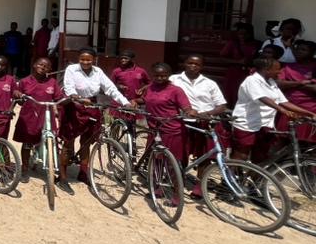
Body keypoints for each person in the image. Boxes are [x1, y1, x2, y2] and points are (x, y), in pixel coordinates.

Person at [61, 47, 129, 185]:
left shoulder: (98, 72)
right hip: (74, 105)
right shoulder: (72, 69)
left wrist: (125, 102)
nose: (85, 62)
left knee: (86, 142)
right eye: (82, 59)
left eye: (88, 60)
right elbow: (68, 86)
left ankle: (83, 172)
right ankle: (62, 174)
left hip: (92, 106)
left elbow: (110, 88)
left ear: (94, 60)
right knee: (69, 140)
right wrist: (76, 97)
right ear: (78, 59)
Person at [231, 55, 314, 162]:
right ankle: (230, 178)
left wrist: (309, 113)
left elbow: (284, 102)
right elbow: (262, 98)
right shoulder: (251, 80)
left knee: (261, 156)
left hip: (264, 124)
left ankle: (255, 178)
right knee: (241, 155)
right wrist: (283, 111)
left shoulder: (271, 83)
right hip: (247, 124)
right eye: (277, 69)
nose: (279, 72)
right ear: (267, 70)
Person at [169, 54, 229, 169]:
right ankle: (179, 178)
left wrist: (206, 114)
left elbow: (222, 106)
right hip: (182, 121)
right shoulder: (173, 80)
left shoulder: (210, 83)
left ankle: (201, 183)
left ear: (202, 67)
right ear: (184, 64)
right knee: (181, 152)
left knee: (205, 154)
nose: (193, 66)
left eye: (197, 64)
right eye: (190, 63)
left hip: (205, 122)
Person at [14, 57, 63, 178]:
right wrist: (18, 95)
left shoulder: (52, 82)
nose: (43, 67)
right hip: (30, 115)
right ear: (34, 65)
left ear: (50, 69)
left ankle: (53, 166)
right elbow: (18, 98)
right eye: (40, 64)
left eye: (46, 66)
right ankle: (24, 168)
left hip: (46, 115)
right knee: (27, 143)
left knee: (52, 141)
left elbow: (58, 97)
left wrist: (67, 99)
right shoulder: (25, 81)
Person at [140, 64, 194, 169]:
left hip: (172, 130)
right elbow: (145, 99)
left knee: (172, 161)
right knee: (156, 158)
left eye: (163, 76)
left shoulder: (176, 90)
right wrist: (135, 101)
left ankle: (176, 183)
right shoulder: (150, 87)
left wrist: (190, 111)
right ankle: (155, 182)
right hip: (154, 128)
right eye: (156, 76)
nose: (159, 78)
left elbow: (186, 107)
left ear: (169, 75)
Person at [277, 39, 316, 143]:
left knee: (307, 142)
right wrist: (301, 83)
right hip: (290, 108)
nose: (299, 51)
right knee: (285, 140)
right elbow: (279, 85)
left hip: (310, 109)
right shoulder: (289, 67)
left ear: (312, 53)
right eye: (298, 49)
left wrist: (290, 83)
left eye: (303, 50)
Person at [220, 21, 259, 104]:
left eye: (245, 34)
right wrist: (238, 61)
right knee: (232, 91)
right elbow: (222, 58)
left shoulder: (256, 44)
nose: (242, 36)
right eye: (240, 34)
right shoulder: (233, 44)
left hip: (249, 72)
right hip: (234, 72)